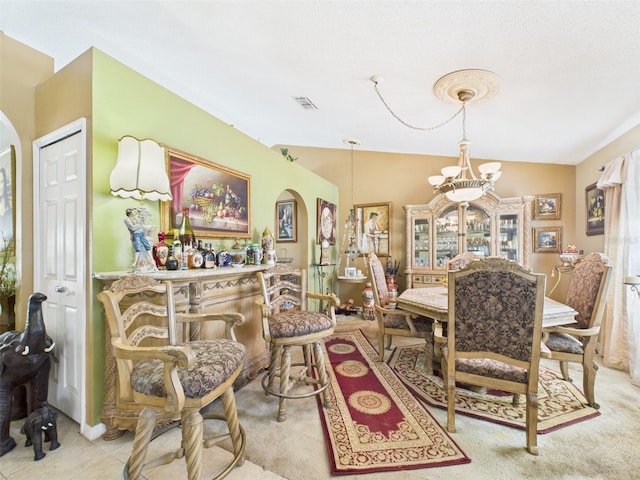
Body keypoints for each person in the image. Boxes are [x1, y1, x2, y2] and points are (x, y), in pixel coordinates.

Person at [124, 207, 156, 272]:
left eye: (136, 211)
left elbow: (142, 226)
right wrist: (139, 225)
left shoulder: (136, 219)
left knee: (147, 246)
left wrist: (150, 227)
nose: (135, 212)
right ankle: (135, 263)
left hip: (141, 233)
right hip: (136, 234)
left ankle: (151, 261)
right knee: (137, 248)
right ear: (130, 212)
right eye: (134, 211)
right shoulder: (127, 220)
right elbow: (132, 228)